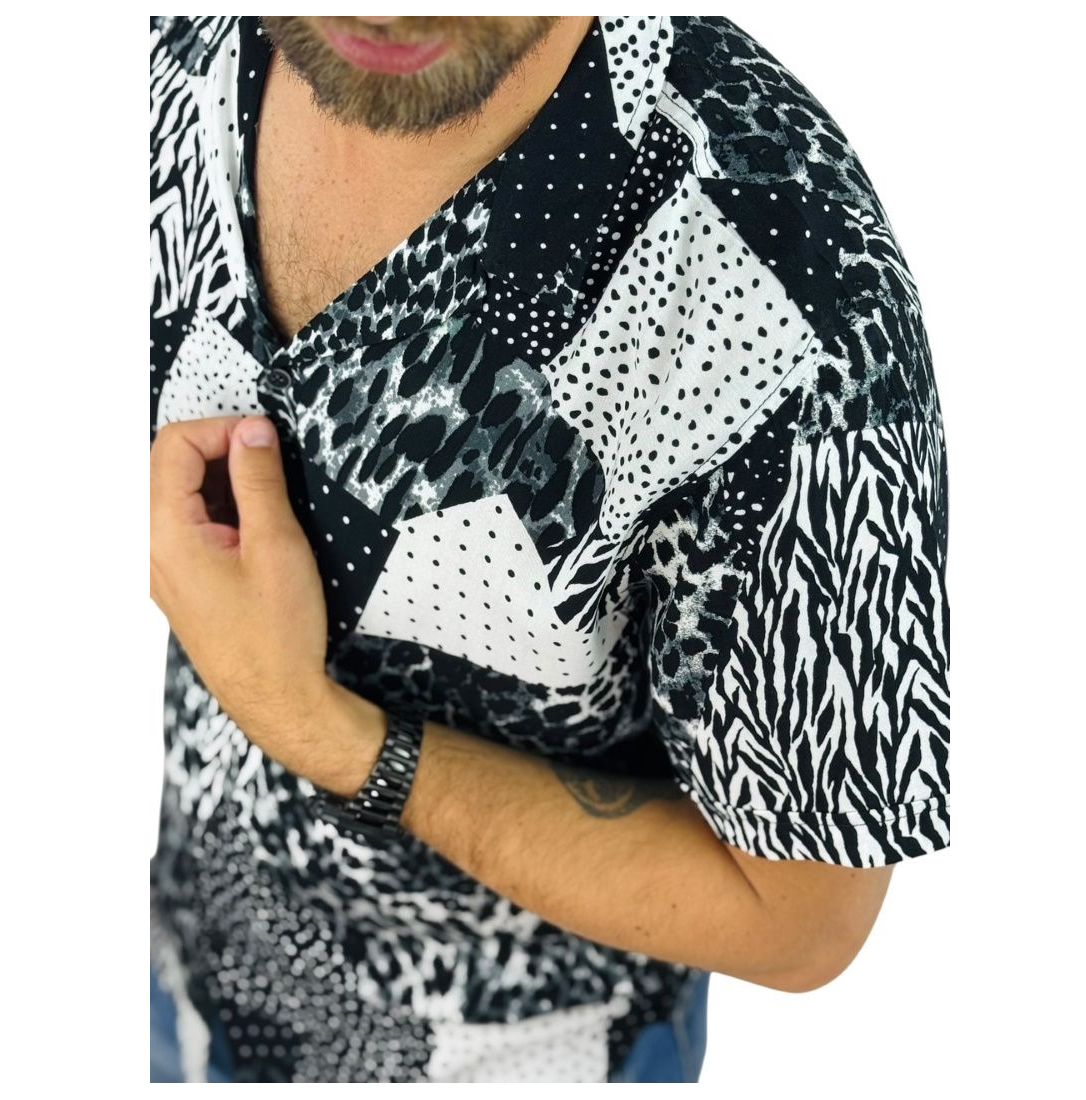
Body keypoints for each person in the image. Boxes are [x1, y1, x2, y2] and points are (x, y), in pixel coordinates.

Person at [148, 14, 950, 1083]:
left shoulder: (799, 294)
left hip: (510, 1056)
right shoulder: (170, 49)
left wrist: (324, 732)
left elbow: (801, 918)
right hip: (180, 958)